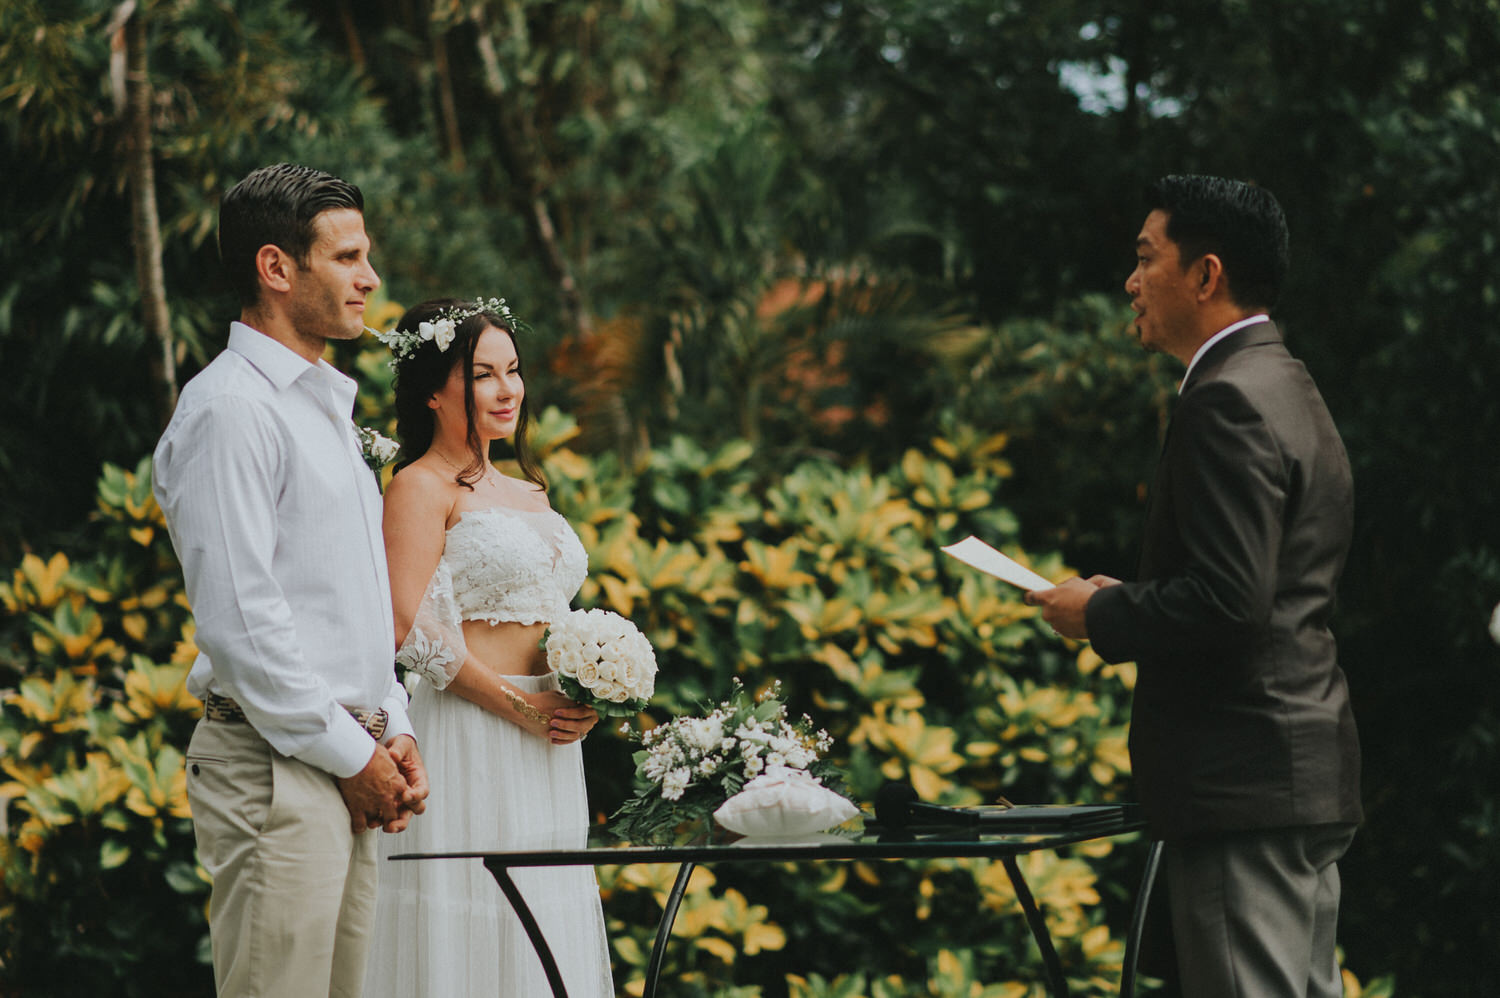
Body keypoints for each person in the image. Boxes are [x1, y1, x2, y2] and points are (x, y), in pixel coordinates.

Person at [1027, 175, 1361, 997]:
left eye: (1147, 259)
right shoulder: (1284, 381)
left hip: (1243, 784)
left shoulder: (1226, 402)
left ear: (1206, 274)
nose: (1131, 282)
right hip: (1297, 773)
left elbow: (1229, 602)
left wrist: (1097, 609)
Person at [153, 162, 430, 997]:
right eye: (346, 257)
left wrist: (394, 721)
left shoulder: (320, 408)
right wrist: (354, 754)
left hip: (340, 758)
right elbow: (244, 624)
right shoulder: (230, 411)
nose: (370, 278)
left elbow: (349, 599)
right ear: (276, 268)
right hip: (275, 764)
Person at [363, 297, 611, 997]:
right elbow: (405, 627)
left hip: (549, 744)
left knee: (541, 929)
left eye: (514, 370)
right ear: (436, 391)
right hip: (471, 732)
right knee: (469, 920)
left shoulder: (531, 491)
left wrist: (586, 690)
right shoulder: (418, 486)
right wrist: (515, 707)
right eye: (483, 375)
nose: (509, 390)